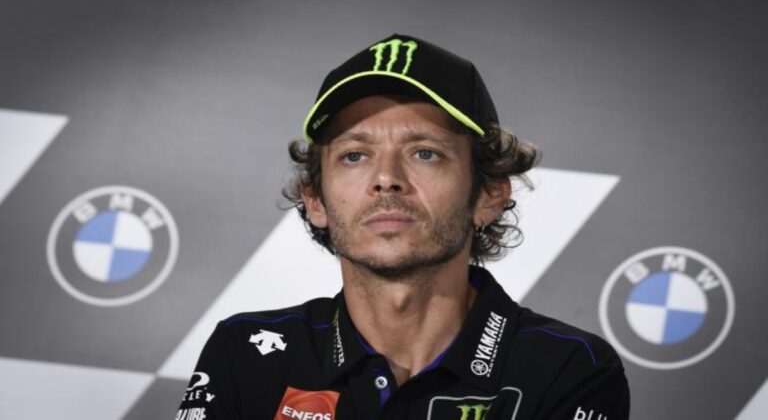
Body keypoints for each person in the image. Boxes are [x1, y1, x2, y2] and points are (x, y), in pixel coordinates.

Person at [175, 34, 630, 420]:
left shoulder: (570, 368)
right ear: (315, 200)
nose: (386, 178)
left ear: (489, 195)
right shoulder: (246, 354)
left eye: (425, 153)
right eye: (355, 155)